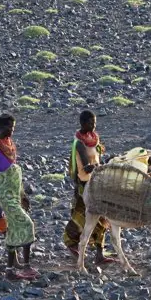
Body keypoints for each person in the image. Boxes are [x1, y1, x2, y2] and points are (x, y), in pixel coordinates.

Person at [0, 114, 37, 279]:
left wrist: (22, 194)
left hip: (14, 191)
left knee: (12, 226)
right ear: (1, 127)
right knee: (26, 223)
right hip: (4, 192)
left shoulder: (9, 144)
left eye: (13, 128)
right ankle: (26, 266)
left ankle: (10, 270)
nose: (11, 131)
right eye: (9, 128)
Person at [62, 110, 114, 263]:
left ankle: (99, 253)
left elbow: (96, 159)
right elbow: (86, 167)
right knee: (83, 217)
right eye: (91, 123)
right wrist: (103, 167)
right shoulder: (79, 143)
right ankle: (71, 242)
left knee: (102, 217)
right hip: (84, 185)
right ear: (82, 123)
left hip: (94, 182)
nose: (94, 125)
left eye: (95, 122)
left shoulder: (93, 139)